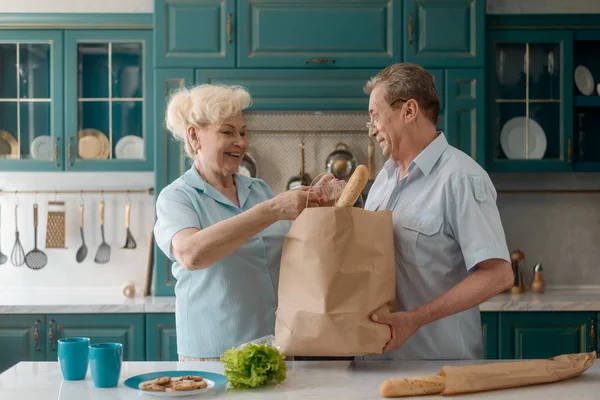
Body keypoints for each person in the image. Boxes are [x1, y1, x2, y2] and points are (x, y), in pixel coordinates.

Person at [153, 83, 331, 360]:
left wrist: (322, 211)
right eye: (227, 132)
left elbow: (293, 257)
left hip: (275, 348)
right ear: (195, 137)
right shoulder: (177, 197)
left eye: (243, 132)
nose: (241, 142)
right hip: (214, 355)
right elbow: (191, 254)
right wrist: (272, 209)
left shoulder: (258, 189)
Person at [363, 63, 514, 360]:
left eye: (375, 116)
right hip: (374, 365)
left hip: (439, 368)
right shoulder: (383, 179)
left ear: (409, 111)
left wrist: (415, 319)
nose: (371, 130)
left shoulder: (462, 178)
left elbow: (498, 275)